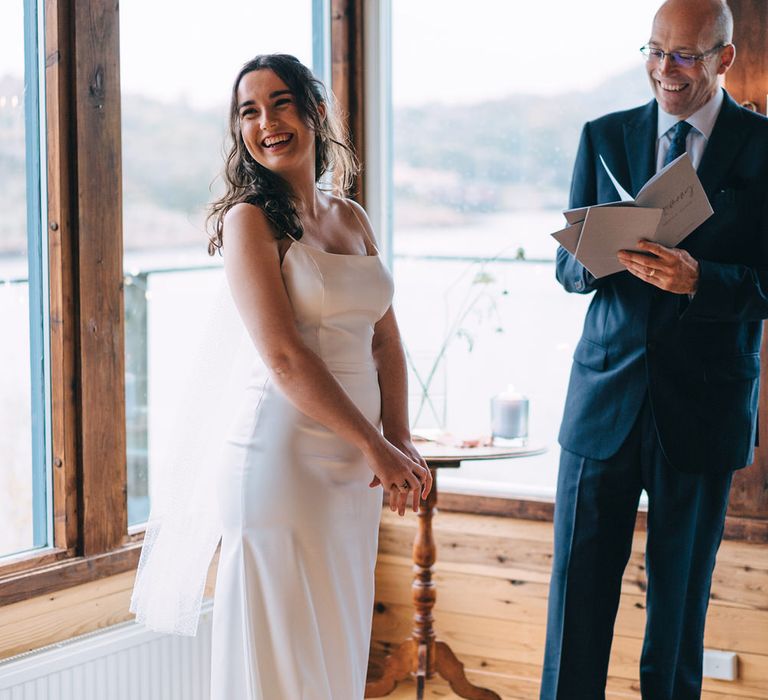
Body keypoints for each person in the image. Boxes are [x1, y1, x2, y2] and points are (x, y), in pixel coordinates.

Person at [132, 54, 433, 699]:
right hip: (282, 461)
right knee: (283, 654)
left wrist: (400, 439)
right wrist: (375, 445)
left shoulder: (351, 217)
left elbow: (387, 339)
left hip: (353, 469)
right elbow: (284, 358)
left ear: (315, 112)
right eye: (249, 111)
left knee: (337, 642)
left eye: (281, 103)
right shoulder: (250, 222)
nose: (266, 121)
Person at [541, 1, 768, 698]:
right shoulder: (603, 135)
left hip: (703, 409)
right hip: (601, 404)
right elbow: (570, 274)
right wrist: (593, 255)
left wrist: (702, 280)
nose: (664, 71)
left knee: (675, 623)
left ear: (724, 58)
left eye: (685, 56)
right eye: (655, 51)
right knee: (574, 612)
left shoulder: (763, 148)